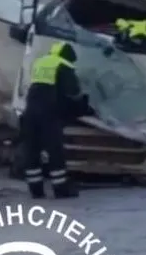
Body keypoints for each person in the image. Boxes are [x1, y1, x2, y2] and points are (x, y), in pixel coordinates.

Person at [20, 41, 93, 199]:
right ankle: (61, 190)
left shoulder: (41, 62)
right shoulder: (64, 65)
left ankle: (36, 191)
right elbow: (72, 93)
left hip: (30, 110)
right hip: (48, 112)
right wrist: (84, 105)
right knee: (55, 151)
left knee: (32, 150)